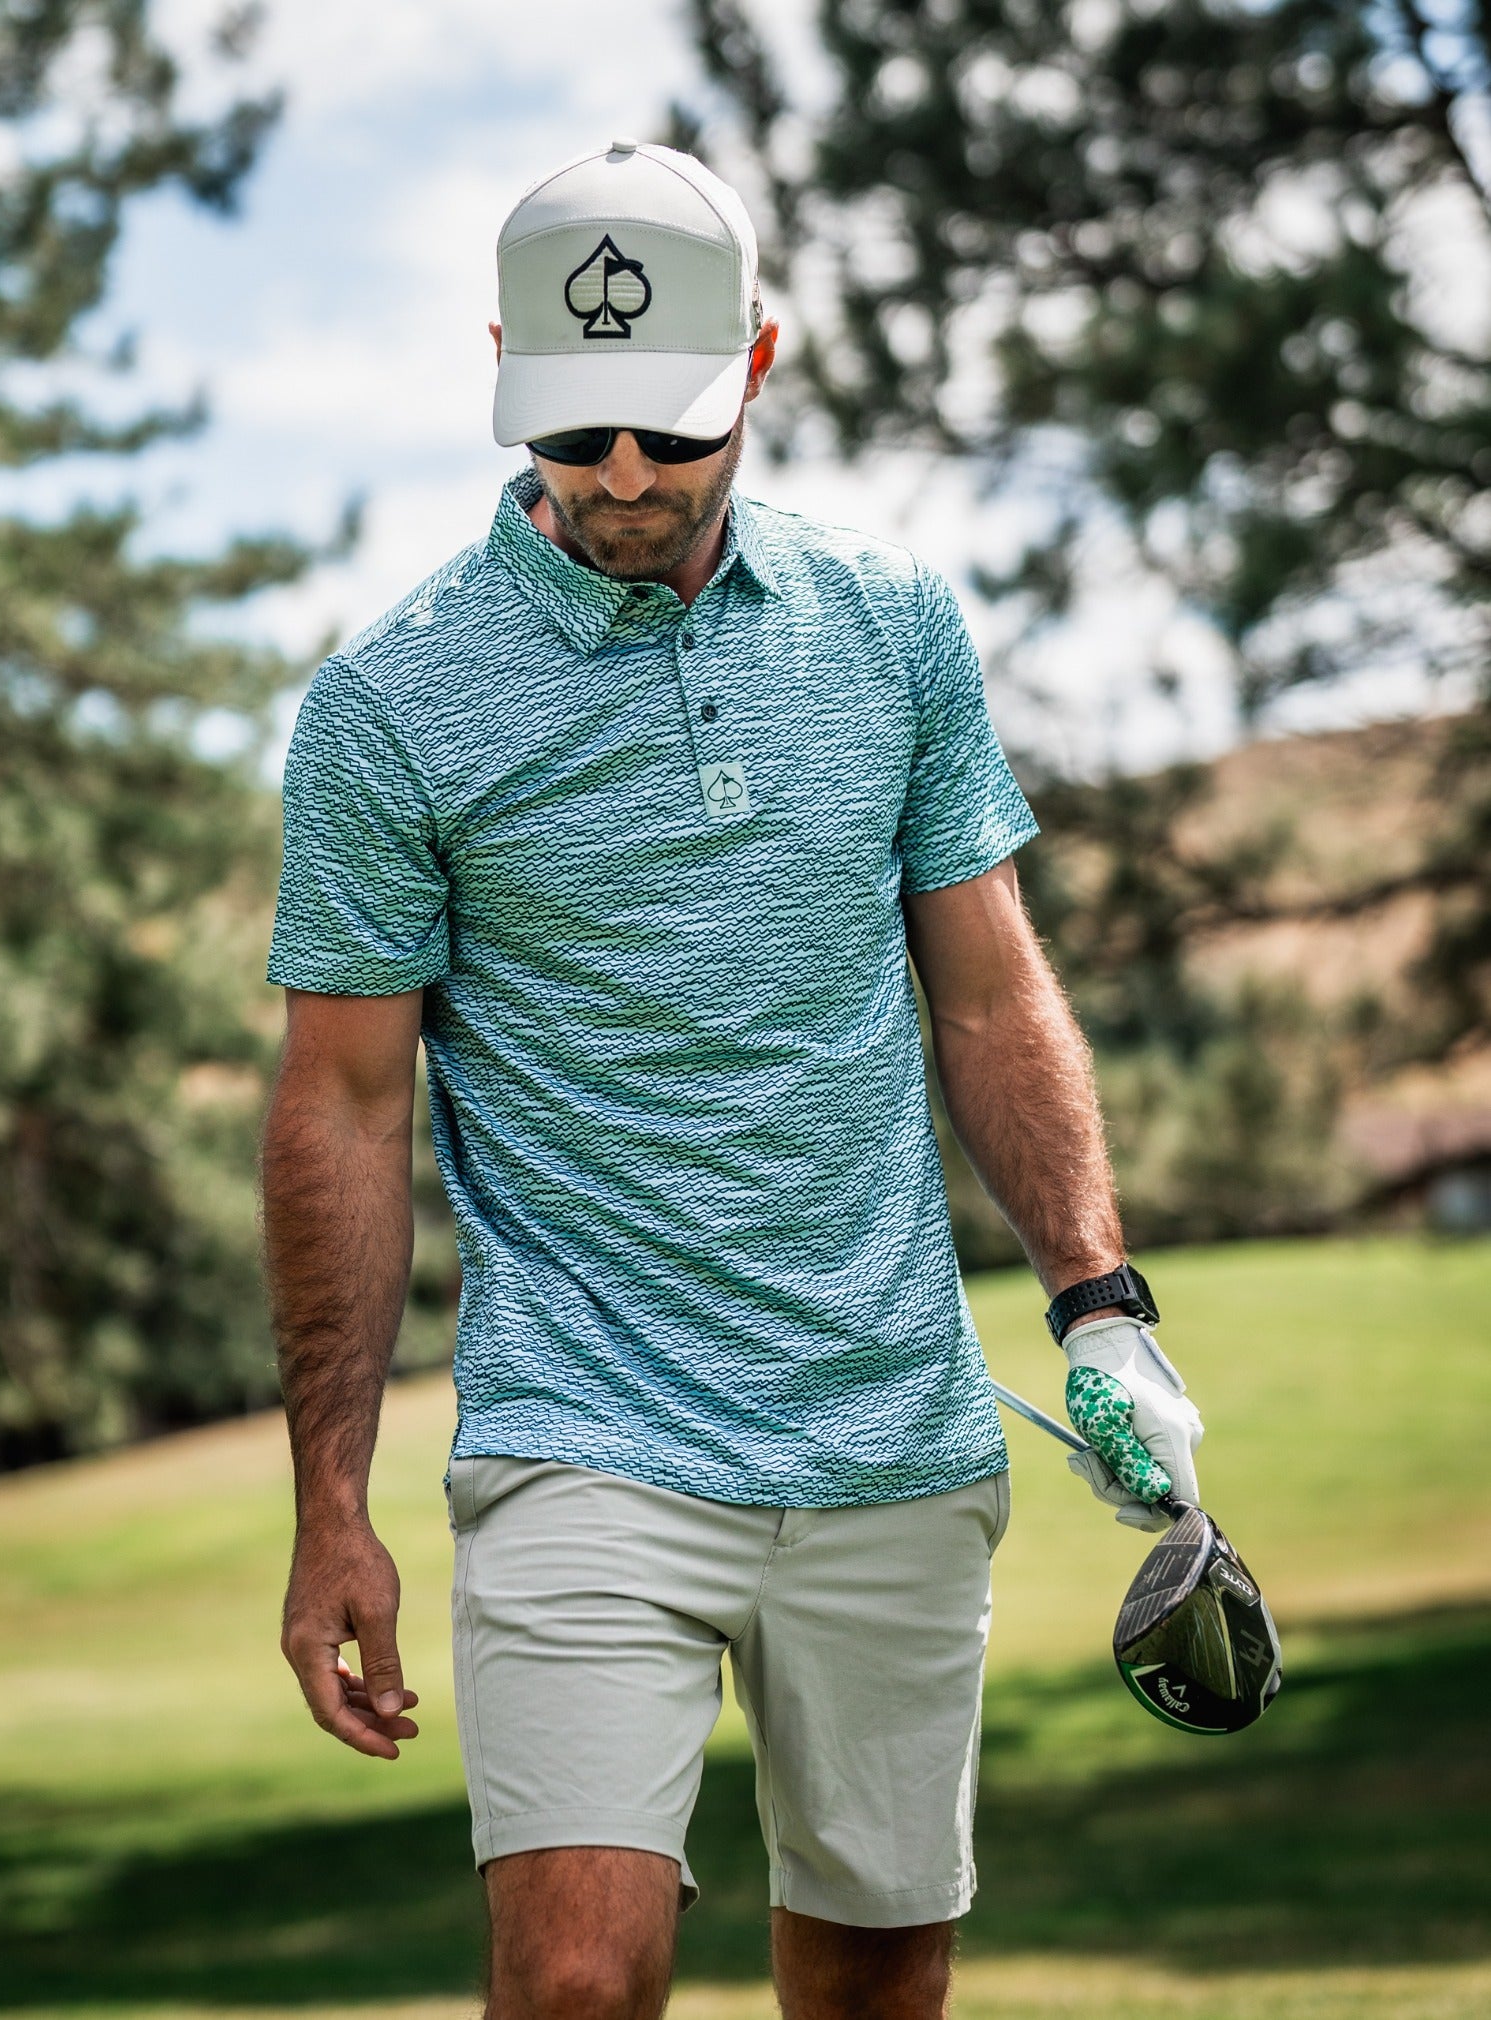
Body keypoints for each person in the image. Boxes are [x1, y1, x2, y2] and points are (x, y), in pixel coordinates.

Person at [260, 140, 1205, 2020]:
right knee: (580, 1985)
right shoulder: (387, 711)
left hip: (891, 1436)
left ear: (759, 364)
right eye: (579, 425)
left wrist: (1101, 1306)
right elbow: (343, 1109)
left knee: (873, 1995)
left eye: (672, 430)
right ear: (506, 372)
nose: (622, 475)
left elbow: (991, 996)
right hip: (584, 1432)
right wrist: (331, 1498)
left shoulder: (893, 627)